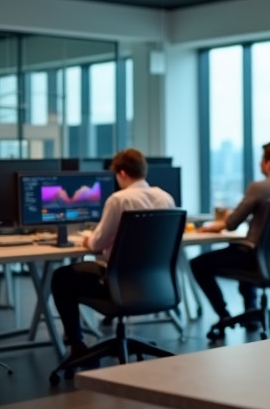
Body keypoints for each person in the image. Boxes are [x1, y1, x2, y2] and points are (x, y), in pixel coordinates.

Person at [50, 148, 176, 360]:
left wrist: (87, 238)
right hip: (156, 286)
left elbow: (97, 243)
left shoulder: (119, 200)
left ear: (123, 173)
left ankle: (77, 346)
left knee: (61, 277)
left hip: (119, 286)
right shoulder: (166, 198)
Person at [191, 141, 270, 332]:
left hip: (256, 258)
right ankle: (251, 313)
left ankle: (224, 315)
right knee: (245, 250)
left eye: (262, 160)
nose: (261, 164)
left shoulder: (259, 187)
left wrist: (215, 225)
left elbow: (232, 223)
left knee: (199, 264)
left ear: (268, 163)